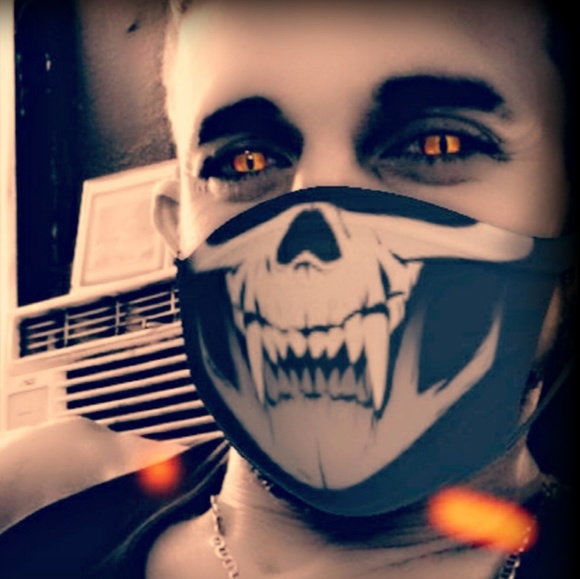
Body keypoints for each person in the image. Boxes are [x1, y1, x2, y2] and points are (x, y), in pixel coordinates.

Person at [0, 0, 575, 577]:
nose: (314, 234)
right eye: (245, 162)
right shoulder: (36, 515)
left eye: (437, 144)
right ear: (178, 231)